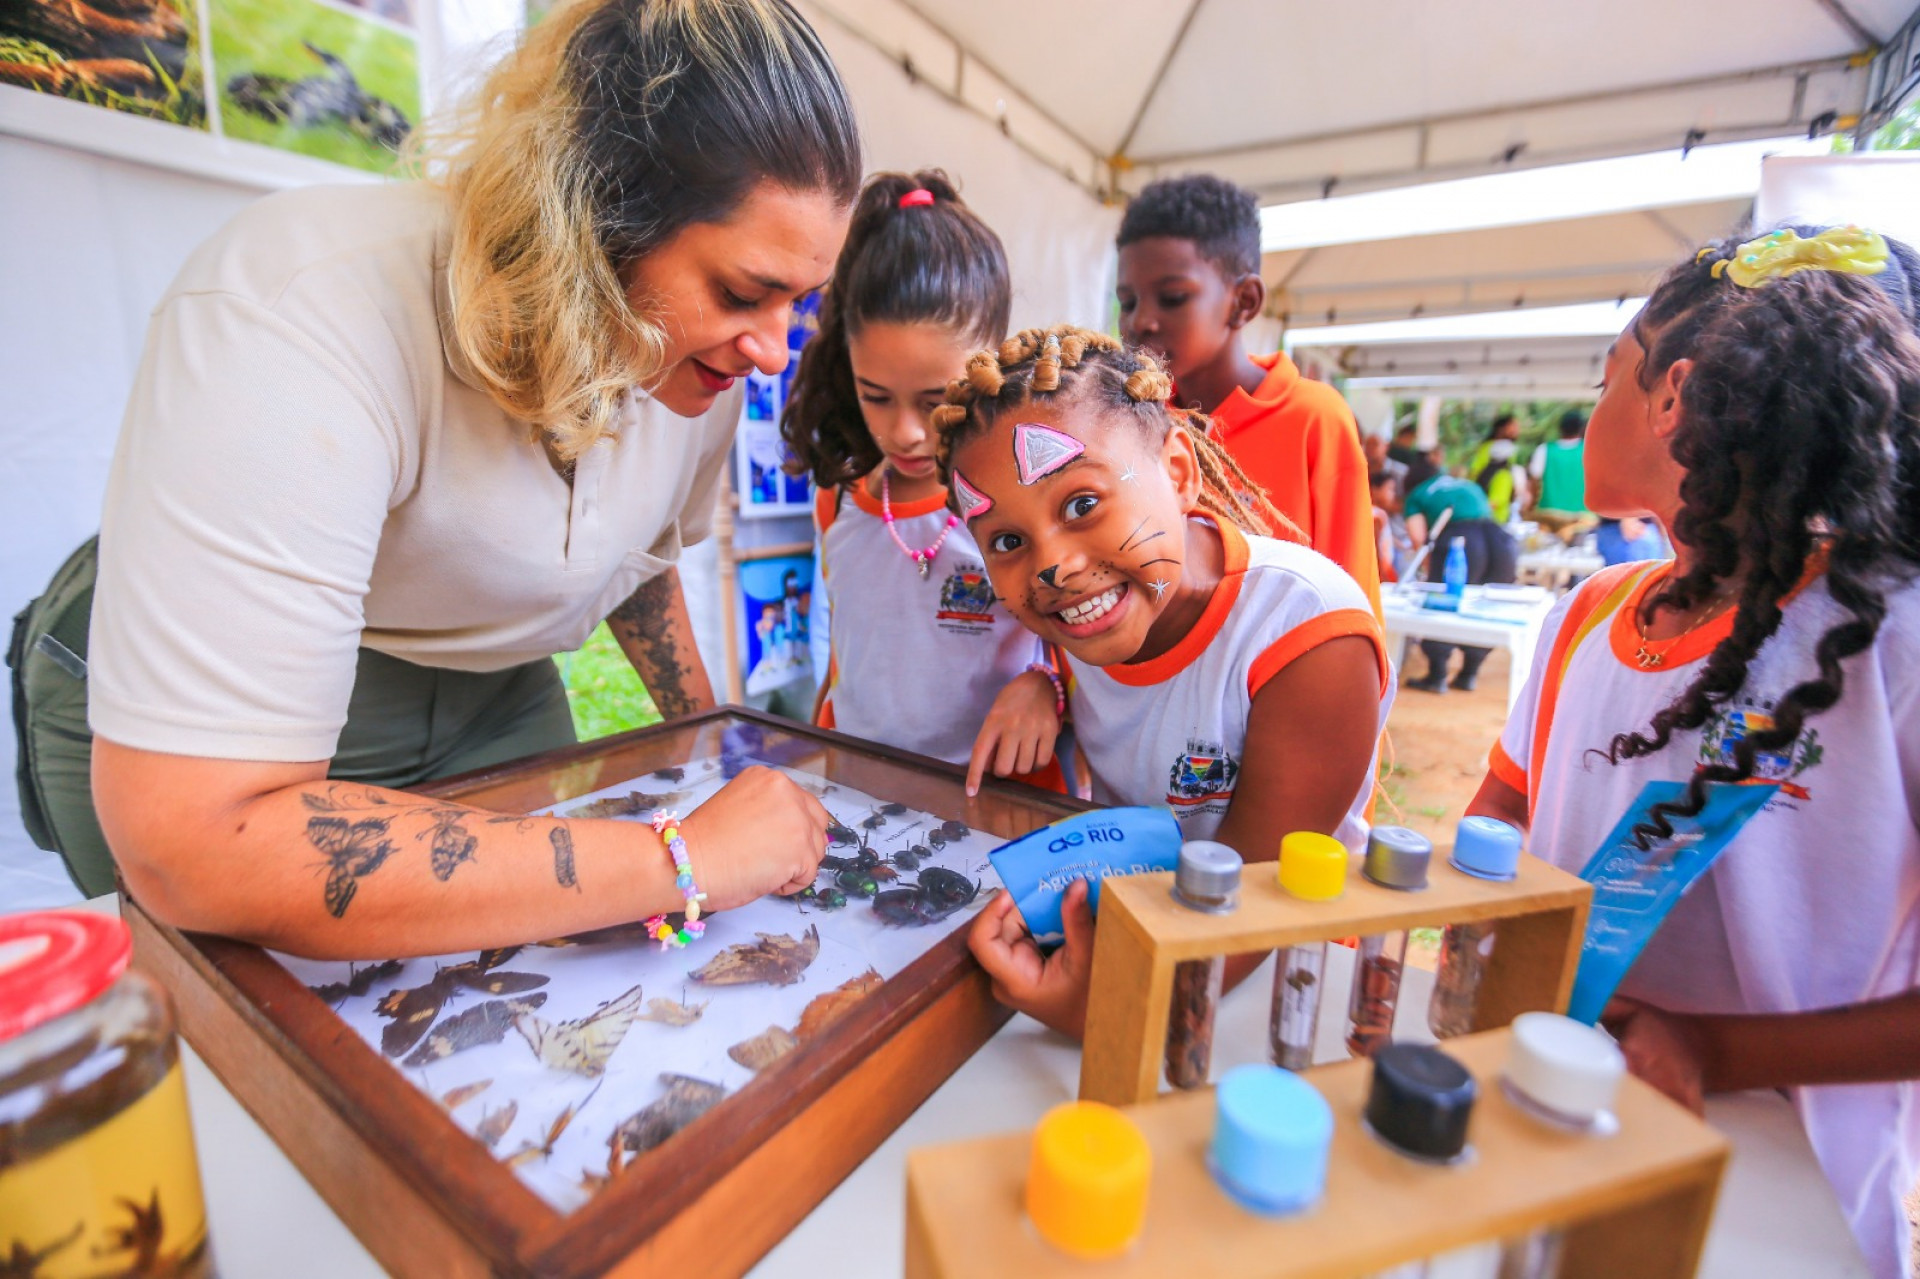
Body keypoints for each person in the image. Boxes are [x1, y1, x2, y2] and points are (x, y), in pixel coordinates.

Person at [7, 0, 862, 956]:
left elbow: (634, 550)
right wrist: (682, 858)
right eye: (744, 293)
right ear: (592, 213)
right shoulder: (300, 304)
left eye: (802, 301)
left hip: (492, 686)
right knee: (268, 1049)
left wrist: (707, 735)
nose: (774, 348)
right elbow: (200, 842)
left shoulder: (702, 359)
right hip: (198, 716)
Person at [1467, 225, 1920, 1278]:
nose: (1593, 408)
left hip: (1769, 1208)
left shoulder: (1888, 635)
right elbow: (1504, 804)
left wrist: (1716, 1051)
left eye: (1608, 372)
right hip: (1549, 1136)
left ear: (1673, 393)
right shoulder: (1588, 613)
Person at [931, 326, 1390, 1038]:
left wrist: (1107, 1007)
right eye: (1008, 542)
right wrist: (1042, 682)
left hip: (1280, 997)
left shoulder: (1306, 634)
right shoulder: (1093, 614)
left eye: (1082, 504)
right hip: (1132, 941)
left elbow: (1254, 901)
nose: (1053, 567)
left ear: (1177, 472)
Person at [780, 170, 1062, 794]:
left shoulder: (1031, 500)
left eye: (936, 399)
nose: (905, 432)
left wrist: (1049, 685)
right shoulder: (839, 504)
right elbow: (847, 661)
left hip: (997, 808)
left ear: (993, 361)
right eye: (875, 397)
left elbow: (1092, 645)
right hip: (864, 802)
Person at [1114, 175, 1380, 616]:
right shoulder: (1137, 423)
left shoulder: (1314, 417)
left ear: (1244, 301)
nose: (1142, 321)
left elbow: (1352, 593)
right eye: (1128, 302)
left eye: (1173, 297)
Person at [1399, 455, 1519, 693]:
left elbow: (1418, 537)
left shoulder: (1417, 495)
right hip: (1500, 541)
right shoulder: (1465, 484)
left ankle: (1437, 675)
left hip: (1460, 541)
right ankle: (1469, 673)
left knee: (1442, 603)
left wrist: (1431, 571)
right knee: (1484, 606)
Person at [1529, 408, 1590, 523]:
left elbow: (1534, 481)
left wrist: (1531, 505)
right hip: (1582, 515)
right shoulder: (1589, 450)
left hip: (1549, 513)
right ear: (1582, 428)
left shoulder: (1545, 449)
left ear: (1560, 428)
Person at [1469, 412, 1528, 523]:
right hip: (1487, 504)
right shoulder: (1488, 448)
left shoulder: (1509, 454)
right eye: (1513, 426)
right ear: (1502, 428)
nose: (1517, 430)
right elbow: (1474, 473)